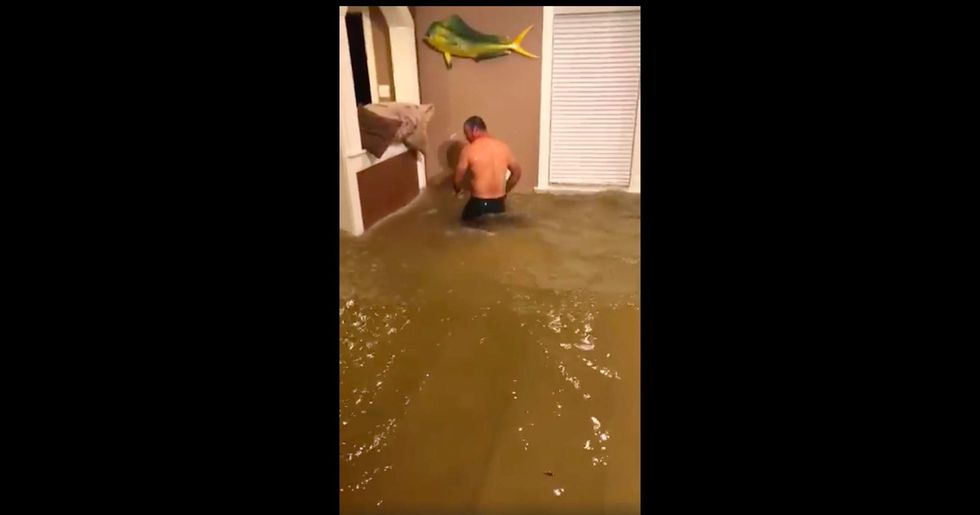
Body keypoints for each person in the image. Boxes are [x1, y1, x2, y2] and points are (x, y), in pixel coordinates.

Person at [453, 116, 523, 224]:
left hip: (478, 205)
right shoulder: (503, 147)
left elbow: (457, 180)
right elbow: (517, 173)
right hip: (499, 204)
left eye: (467, 133)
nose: (466, 138)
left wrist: (459, 191)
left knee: (461, 229)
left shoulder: (468, 150)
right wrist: (505, 191)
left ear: (475, 130)